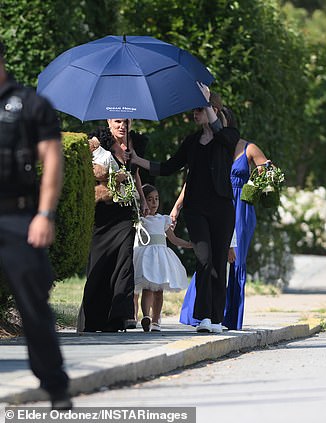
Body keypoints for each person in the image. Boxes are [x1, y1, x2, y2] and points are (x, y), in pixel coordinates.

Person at [130, 83, 239, 334]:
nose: (194, 113)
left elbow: (220, 133)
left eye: (199, 108)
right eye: (194, 109)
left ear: (212, 109)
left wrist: (208, 100)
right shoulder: (191, 141)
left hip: (222, 208)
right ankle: (203, 317)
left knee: (218, 261)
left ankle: (216, 318)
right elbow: (169, 166)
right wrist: (138, 160)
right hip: (196, 209)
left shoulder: (228, 136)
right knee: (204, 258)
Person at [0, 40, 71, 409]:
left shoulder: (31, 105)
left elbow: (53, 162)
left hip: (18, 216)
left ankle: (55, 386)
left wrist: (44, 214)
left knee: (32, 305)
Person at [175, 103, 270, 330]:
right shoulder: (210, 147)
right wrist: (177, 207)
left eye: (220, 119)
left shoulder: (248, 148)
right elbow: (193, 179)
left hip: (240, 208)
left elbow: (267, 173)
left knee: (232, 262)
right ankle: (201, 314)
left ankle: (227, 317)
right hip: (214, 204)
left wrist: (256, 187)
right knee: (208, 259)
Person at [77, 119, 148, 333]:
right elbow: (87, 169)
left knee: (124, 261)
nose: (122, 126)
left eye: (126, 122)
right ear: (109, 122)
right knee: (100, 264)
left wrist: (142, 199)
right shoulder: (98, 140)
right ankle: (93, 319)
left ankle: (119, 317)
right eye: (118, 121)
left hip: (125, 213)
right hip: (102, 214)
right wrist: (112, 177)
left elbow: (135, 174)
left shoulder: (135, 143)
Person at [134, 184, 192, 332]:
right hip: (146, 257)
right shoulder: (140, 220)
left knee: (159, 291)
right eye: (149, 199)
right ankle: (146, 317)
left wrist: (188, 244)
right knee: (147, 288)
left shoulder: (163, 219)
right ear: (143, 201)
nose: (154, 203)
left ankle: (156, 320)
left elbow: (173, 239)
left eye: (156, 199)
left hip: (160, 259)